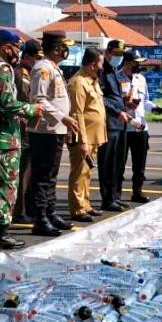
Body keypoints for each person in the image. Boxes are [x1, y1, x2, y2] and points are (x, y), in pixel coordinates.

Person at [0, 29, 42, 250]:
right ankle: (0, 235)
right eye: (16, 49)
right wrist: (31, 109)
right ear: (7, 47)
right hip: (5, 137)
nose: (18, 53)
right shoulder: (2, 68)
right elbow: (7, 103)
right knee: (5, 187)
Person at [29, 31, 80, 236]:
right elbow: (38, 99)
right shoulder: (42, 68)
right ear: (57, 48)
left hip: (55, 130)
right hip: (44, 130)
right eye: (64, 46)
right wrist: (62, 117)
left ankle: (50, 212)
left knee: (51, 175)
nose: (66, 50)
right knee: (42, 175)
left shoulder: (54, 68)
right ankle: (40, 218)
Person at [67, 49, 108, 222]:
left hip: (94, 136)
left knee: (87, 173)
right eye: (101, 63)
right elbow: (77, 114)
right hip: (84, 138)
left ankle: (85, 204)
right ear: (92, 65)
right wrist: (82, 141)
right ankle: (77, 209)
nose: (102, 67)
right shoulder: (78, 82)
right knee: (79, 173)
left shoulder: (92, 80)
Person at [97, 39, 131, 211]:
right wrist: (117, 111)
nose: (119, 57)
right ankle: (107, 198)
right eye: (116, 54)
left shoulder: (115, 71)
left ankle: (115, 196)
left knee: (118, 162)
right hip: (110, 122)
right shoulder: (102, 71)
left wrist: (125, 104)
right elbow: (101, 98)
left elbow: (116, 96)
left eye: (121, 54)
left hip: (120, 123)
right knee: (107, 162)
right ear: (108, 52)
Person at [117, 48, 152, 203]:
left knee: (140, 164)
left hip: (141, 128)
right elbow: (116, 104)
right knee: (120, 164)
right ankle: (116, 195)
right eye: (136, 62)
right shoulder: (117, 78)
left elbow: (145, 101)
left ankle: (137, 192)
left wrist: (156, 108)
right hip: (124, 127)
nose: (139, 65)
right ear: (127, 62)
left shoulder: (141, 79)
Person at [12, 39, 41, 223]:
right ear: (27, 57)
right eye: (36, 58)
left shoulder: (27, 73)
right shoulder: (21, 75)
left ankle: (25, 208)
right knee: (23, 171)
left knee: (28, 170)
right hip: (23, 129)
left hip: (28, 128)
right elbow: (24, 101)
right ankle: (19, 211)